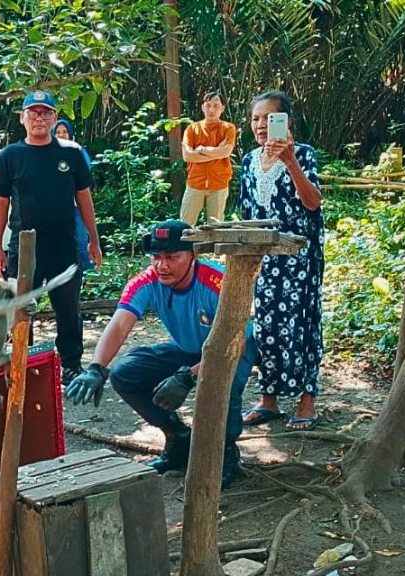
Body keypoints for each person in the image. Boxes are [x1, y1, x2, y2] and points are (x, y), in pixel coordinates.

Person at [64, 220, 255, 487]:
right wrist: (96, 367)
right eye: (156, 257)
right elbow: (119, 324)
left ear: (193, 255)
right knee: (124, 374)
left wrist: (188, 376)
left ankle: (225, 454)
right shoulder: (147, 281)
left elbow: (233, 344)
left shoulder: (219, 283)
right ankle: (178, 437)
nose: (162, 265)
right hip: (188, 348)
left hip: (233, 351)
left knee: (220, 383)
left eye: (172, 257)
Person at [0, 90, 101, 384]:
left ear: (54, 118)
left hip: (63, 246)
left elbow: (84, 197)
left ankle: (71, 365)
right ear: (22, 117)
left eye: (45, 113)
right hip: (24, 248)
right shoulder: (10, 156)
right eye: (34, 112)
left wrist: (94, 239)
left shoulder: (71, 153)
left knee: (68, 309)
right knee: (20, 309)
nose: (39, 118)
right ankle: (21, 365)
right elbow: (1, 202)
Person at [238, 90, 324, 431]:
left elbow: (313, 202)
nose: (261, 125)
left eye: (268, 118)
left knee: (302, 323)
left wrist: (290, 162)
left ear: (286, 123)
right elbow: (247, 211)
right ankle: (268, 399)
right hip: (264, 259)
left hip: (299, 257)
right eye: (255, 118)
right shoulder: (248, 161)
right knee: (267, 325)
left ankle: (307, 400)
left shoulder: (303, 154)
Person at [180, 91, 237, 225]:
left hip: (219, 185)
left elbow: (226, 152)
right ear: (202, 107)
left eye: (216, 106)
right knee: (185, 226)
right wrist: (216, 152)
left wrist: (202, 150)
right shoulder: (192, 129)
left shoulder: (228, 128)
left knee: (215, 228)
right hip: (195, 183)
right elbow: (187, 156)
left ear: (222, 108)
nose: (212, 110)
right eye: (208, 105)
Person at [52, 118, 96, 272]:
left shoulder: (78, 151)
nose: (61, 135)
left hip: (77, 206)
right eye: (58, 132)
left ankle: (88, 275)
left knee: (81, 242)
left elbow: (84, 179)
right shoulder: (47, 153)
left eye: (65, 132)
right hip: (56, 208)